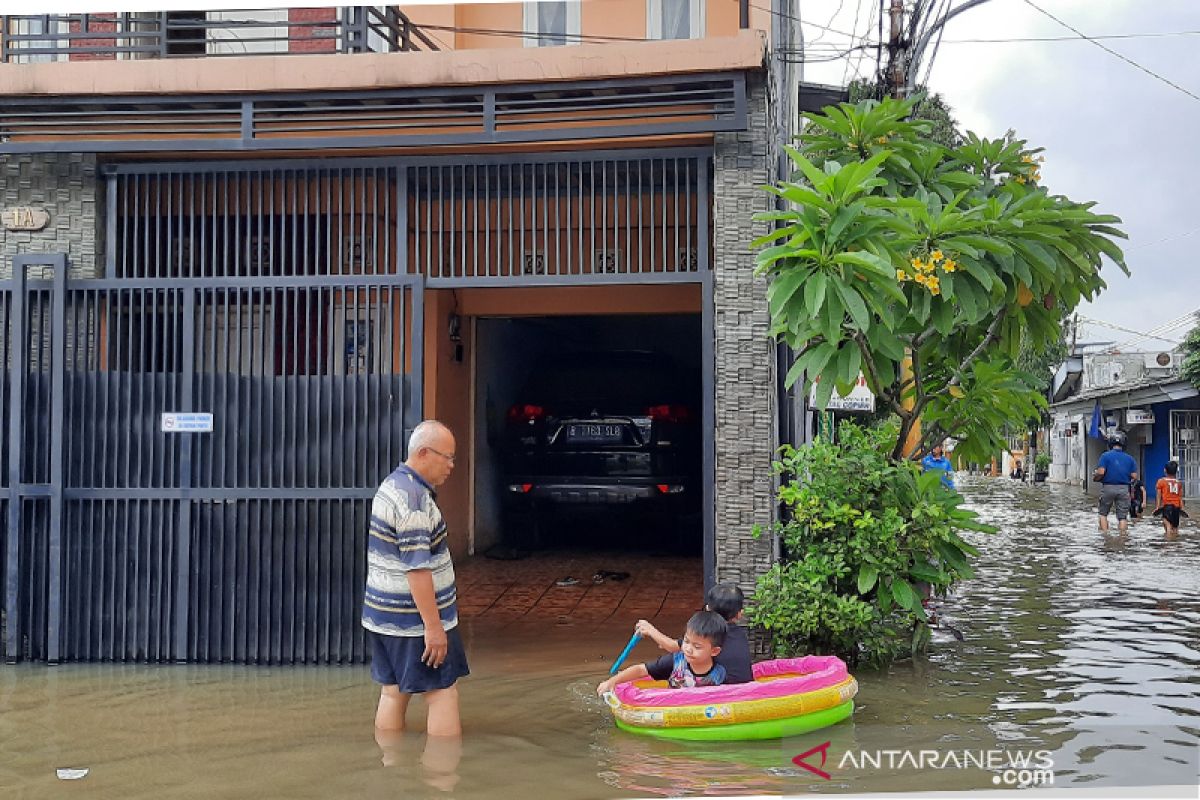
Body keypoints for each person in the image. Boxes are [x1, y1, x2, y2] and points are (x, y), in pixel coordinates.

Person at [363, 420, 468, 737]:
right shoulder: (415, 502)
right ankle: (443, 778)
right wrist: (433, 628)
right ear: (423, 453)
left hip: (382, 618)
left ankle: (391, 765)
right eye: (446, 457)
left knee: (392, 691)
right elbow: (417, 569)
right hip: (413, 622)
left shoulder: (391, 485)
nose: (451, 466)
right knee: (442, 693)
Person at [633, 583, 753, 684]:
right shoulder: (740, 633)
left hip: (720, 691)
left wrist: (649, 630)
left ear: (708, 609)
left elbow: (670, 646)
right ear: (739, 614)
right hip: (744, 692)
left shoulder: (708, 635)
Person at [597, 611, 727, 695]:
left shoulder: (720, 673)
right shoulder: (674, 662)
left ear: (714, 651)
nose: (688, 649)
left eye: (697, 647)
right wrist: (611, 682)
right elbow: (640, 670)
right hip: (671, 709)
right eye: (686, 642)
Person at [1092, 432, 1138, 534]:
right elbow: (1134, 476)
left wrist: (1096, 477)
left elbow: (1101, 472)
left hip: (1108, 487)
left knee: (1103, 514)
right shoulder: (1130, 458)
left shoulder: (1105, 456)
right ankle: (1122, 537)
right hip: (1124, 489)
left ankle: (1105, 536)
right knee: (1122, 517)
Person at [1153, 460, 1186, 536]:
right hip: (1177, 508)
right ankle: (1175, 541)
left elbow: (1158, 495)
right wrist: (1182, 508)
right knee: (1175, 527)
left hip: (1167, 506)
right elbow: (1180, 497)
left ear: (1165, 470)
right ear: (1176, 471)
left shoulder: (1161, 481)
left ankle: (1168, 543)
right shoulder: (1179, 483)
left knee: (1167, 524)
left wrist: (1157, 507)